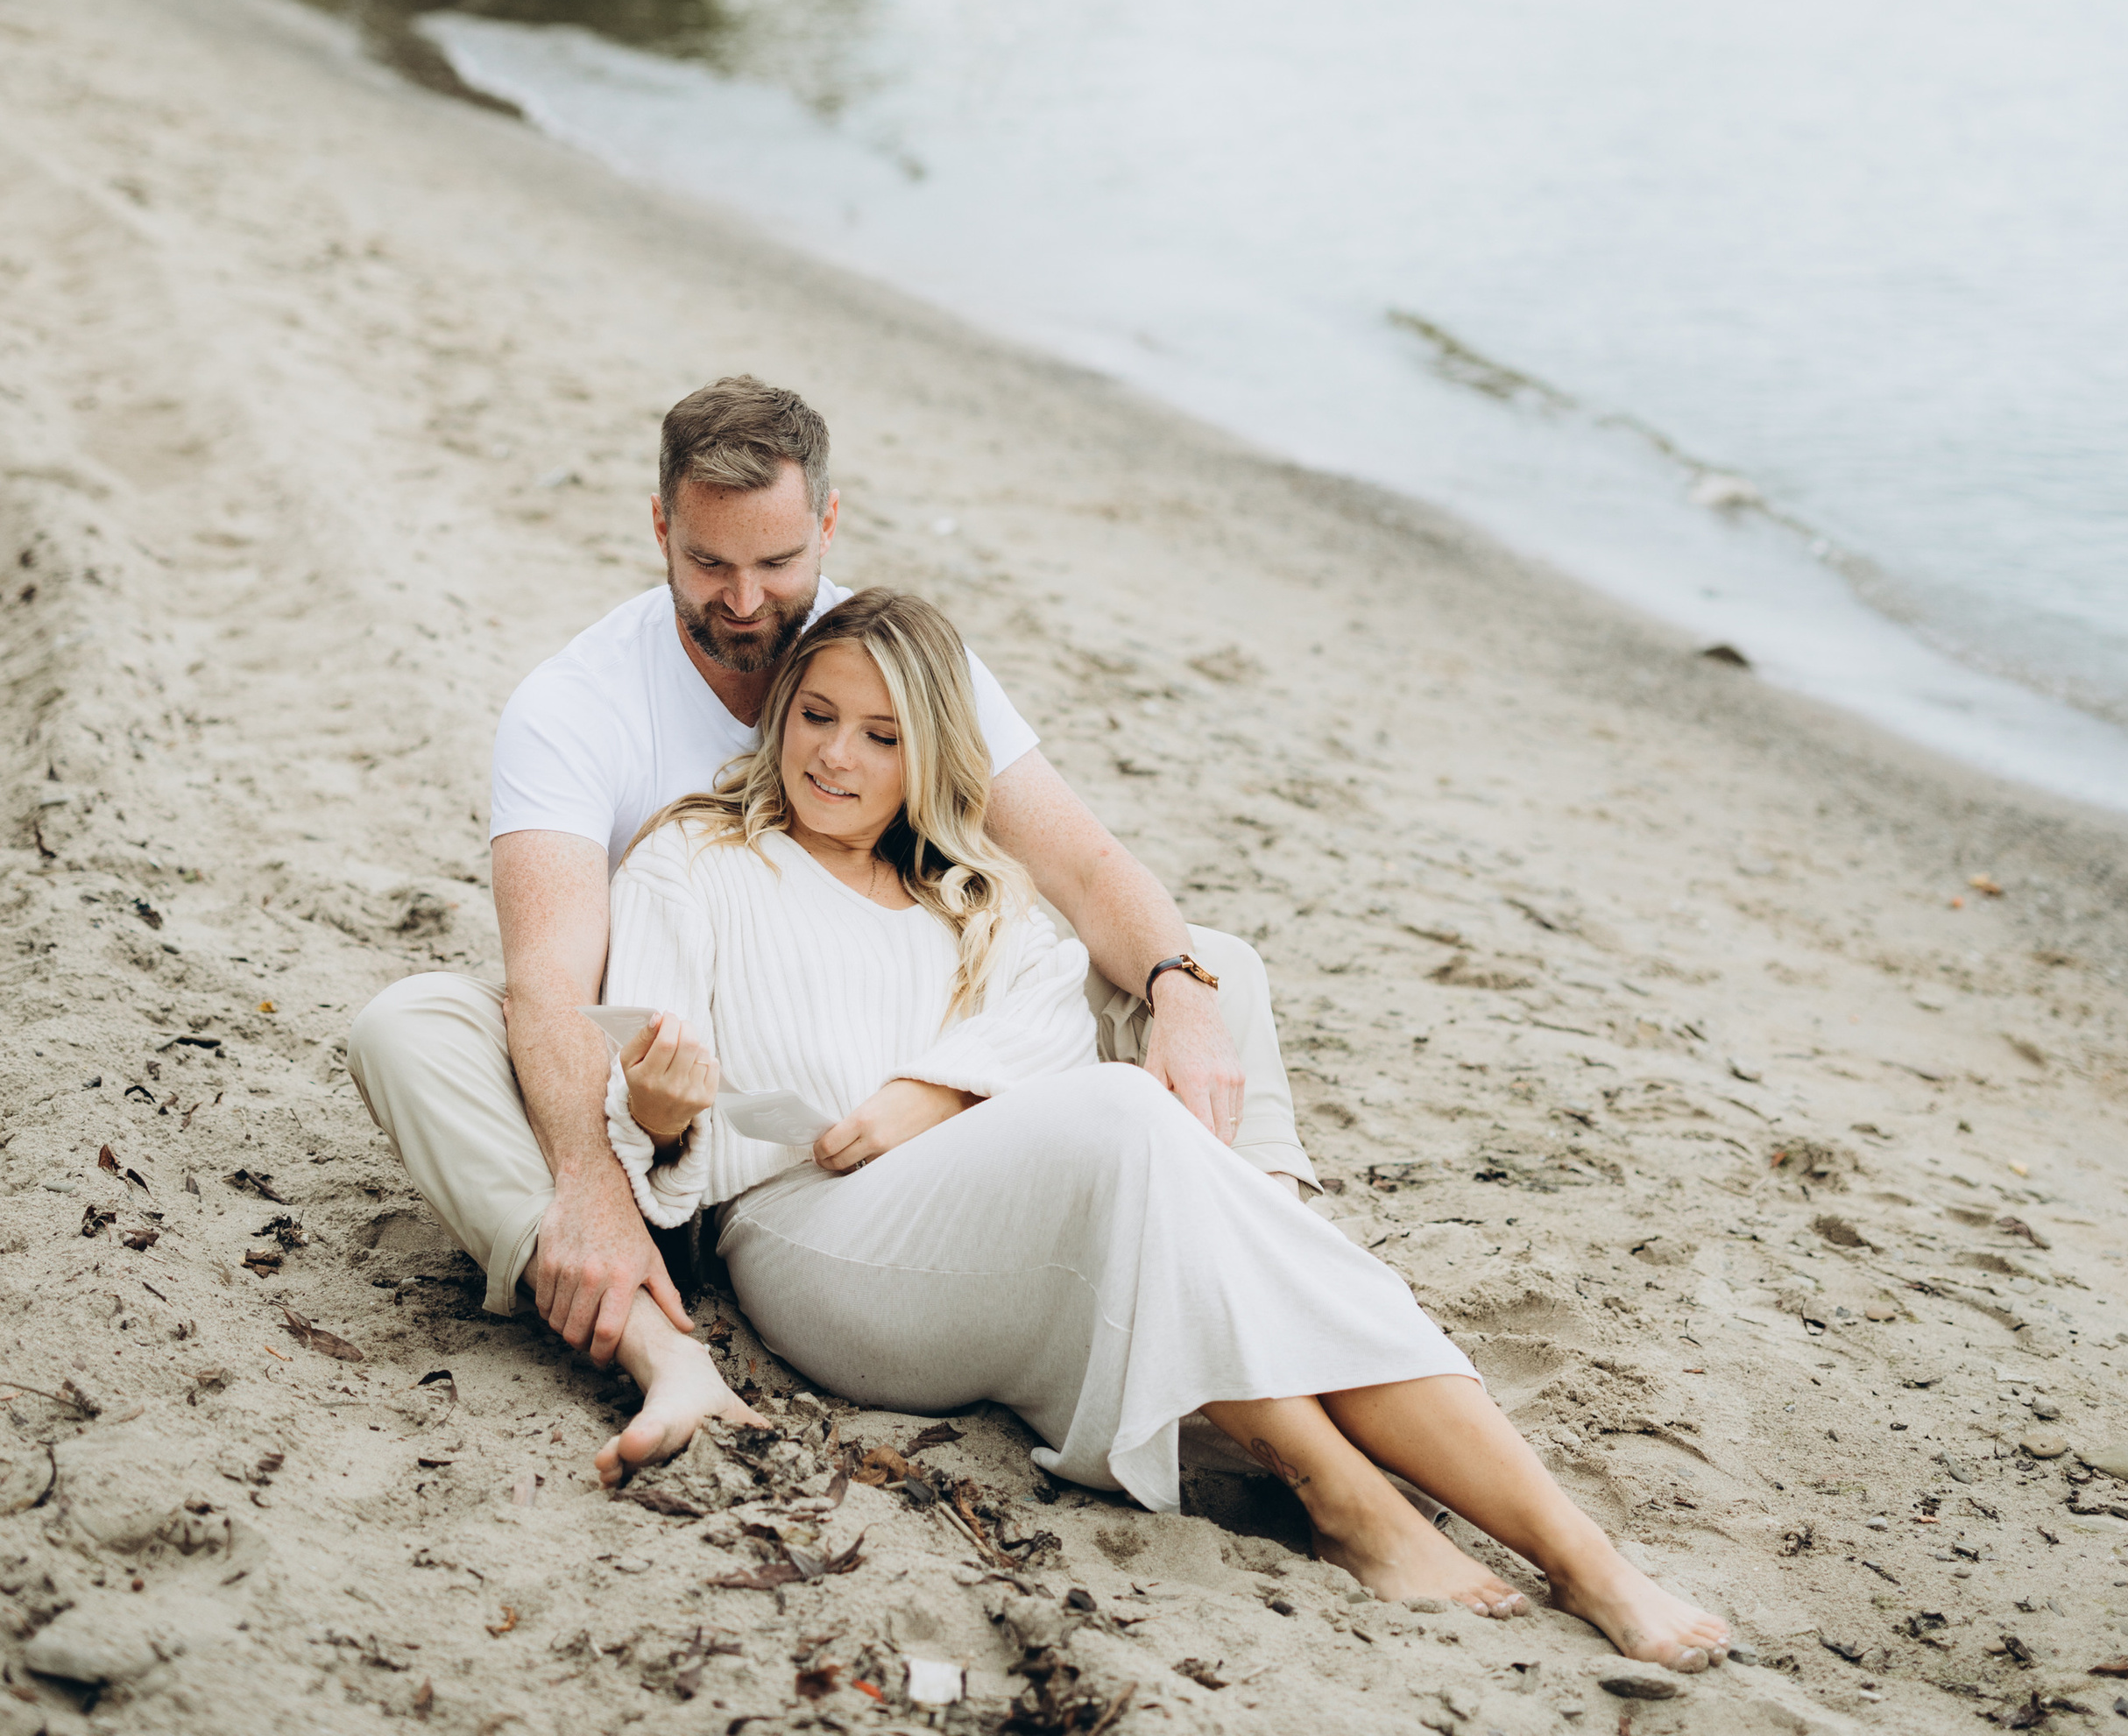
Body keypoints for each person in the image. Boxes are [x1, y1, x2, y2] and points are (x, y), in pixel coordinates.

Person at [590, 586, 1729, 1664]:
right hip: (811, 1239)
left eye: (882, 735)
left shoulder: (968, 888)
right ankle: (1347, 1498)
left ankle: (1583, 1559)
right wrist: (662, 1110)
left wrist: (932, 1094)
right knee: (1134, 1124)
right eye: (818, 716)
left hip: (981, 1223)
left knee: (1212, 1188)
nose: (836, 755)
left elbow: (1046, 1019)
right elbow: (646, 1091)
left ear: (931, 753)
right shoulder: (696, 861)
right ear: (781, 713)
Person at [348, 374, 1313, 1380]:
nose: (743, 599)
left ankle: (1283, 1281)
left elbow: (1083, 864)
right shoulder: (573, 704)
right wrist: (593, 1175)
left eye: (778, 561)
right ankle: (619, 1294)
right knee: (413, 1026)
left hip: (882, 1093)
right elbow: (551, 985)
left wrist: (1180, 993)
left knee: (1213, 968)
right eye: (707, 562)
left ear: (830, 522)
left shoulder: (889, 661)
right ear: (658, 527)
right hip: (657, 1113)